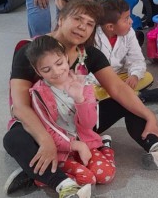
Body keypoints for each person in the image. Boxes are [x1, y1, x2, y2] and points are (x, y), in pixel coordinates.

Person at [3, 0, 158, 196]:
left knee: (125, 102)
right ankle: (58, 180)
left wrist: (150, 116)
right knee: (14, 139)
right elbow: (20, 107)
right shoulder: (31, 52)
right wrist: (45, 140)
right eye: (77, 19)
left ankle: (157, 149)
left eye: (89, 24)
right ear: (61, 19)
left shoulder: (88, 54)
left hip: (77, 123)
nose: (83, 27)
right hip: (44, 125)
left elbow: (118, 89)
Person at [26, 35, 116, 190]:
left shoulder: (83, 83)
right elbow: (47, 130)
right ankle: (38, 178)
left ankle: (105, 149)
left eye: (59, 63)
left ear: (66, 57)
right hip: (60, 149)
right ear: (37, 71)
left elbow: (89, 124)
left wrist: (79, 99)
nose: (56, 72)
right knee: (87, 179)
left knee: (105, 175)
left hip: (87, 142)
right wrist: (75, 145)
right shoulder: (38, 93)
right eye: (46, 69)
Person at [92, 0, 158, 103]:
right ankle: (139, 97)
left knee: (147, 77)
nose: (131, 21)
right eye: (126, 19)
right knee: (91, 91)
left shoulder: (129, 32)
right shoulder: (92, 38)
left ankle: (118, 98)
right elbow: (87, 72)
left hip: (120, 77)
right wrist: (109, 83)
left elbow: (137, 59)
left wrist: (134, 75)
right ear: (110, 27)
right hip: (99, 82)